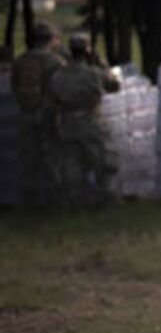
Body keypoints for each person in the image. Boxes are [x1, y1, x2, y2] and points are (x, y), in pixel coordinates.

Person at [47, 33, 122, 206]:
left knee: (72, 166)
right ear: (87, 50)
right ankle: (109, 201)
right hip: (90, 122)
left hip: (67, 124)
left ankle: (74, 202)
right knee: (105, 163)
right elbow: (115, 85)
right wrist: (101, 64)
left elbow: (51, 99)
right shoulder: (93, 74)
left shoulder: (59, 76)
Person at [9, 21, 65, 208]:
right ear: (50, 39)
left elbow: (14, 87)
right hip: (48, 115)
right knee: (52, 159)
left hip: (26, 114)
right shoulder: (55, 62)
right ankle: (52, 202)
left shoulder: (21, 60)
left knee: (28, 160)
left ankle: (29, 202)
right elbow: (60, 89)